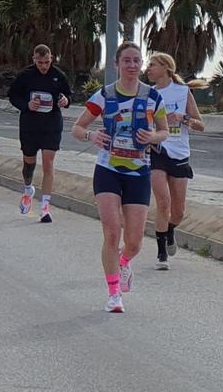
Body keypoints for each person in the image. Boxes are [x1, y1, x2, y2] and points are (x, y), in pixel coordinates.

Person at [70, 42, 169, 314]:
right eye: (127, 60)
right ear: (117, 64)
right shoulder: (104, 95)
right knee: (112, 231)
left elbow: (165, 131)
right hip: (108, 170)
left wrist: (153, 137)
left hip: (138, 171)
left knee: (135, 240)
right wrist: (92, 136)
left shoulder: (152, 97)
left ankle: (124, 262)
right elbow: (77, 128)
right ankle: (114, 293)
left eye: (137, 60)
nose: (132, 65)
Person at [146, 51, 204, 270]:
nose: (148, 69)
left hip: (180, 153)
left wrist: (183, 118)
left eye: (152, 65)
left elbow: (201, 124)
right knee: (163, 202)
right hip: (157, 151)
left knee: (178, 211)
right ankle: (161, 254)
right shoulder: (148, 93)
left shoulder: (182, 92)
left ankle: (170, 230)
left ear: (165, 68)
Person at [7, 44, 73, 222]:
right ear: (34, 59)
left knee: (48, 163)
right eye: (40, 62)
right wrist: (26, 105)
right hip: (29, 124)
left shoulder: (59, 76)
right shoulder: (25, 75)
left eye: (46, 62)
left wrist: (65, 100)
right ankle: (28, 188)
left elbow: (68, 96)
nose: (44, 66)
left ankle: (45, 208)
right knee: (29, 163)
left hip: (51, 124)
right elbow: (12, 96)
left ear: (52, 58)